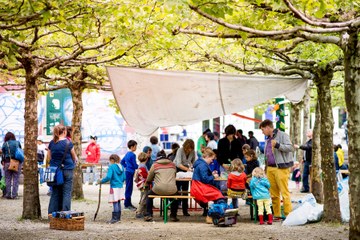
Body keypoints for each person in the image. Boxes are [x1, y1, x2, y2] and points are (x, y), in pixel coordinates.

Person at [259, 119, 294, 220]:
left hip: (281, 168)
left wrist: (278, 145)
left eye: (263, 130)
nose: (262, 132)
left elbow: (290, 148)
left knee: (284, 192)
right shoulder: (267, 139)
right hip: (270, 168)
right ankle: (277, 215)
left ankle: (288, 214)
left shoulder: (282, 135)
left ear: (268, 127)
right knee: (274, 194)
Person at [48, 124, 78, 214]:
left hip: (55, 171)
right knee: (66, 192)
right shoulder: (68, 143)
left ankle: (52, 213)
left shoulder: (52, 143)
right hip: (67, 170)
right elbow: (74, 157)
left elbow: (49, 156)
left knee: (55, 192)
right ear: (64, 132)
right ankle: (65, 213)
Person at [144, 150, 179, 222]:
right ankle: (173, 215)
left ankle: (149, 214)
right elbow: (174, 176)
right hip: (172, 189)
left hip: (158, 189)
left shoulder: (154, 165)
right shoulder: (172, 165)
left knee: (148, 196)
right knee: (176, 196)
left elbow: (149, 179)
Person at [190, 147, 225, 221]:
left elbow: (203, 177)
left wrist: (211, 174)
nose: (212, 161)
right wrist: (213, 176)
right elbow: (205, 179)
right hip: (200, 188)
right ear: (207, 157)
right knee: (218, 195)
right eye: (211, 159)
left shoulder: (200, 163)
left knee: (217, 195)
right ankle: (218, 214)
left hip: (197, 187)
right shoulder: (203, 165)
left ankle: (215, 215)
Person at [98, 154, 126, 224]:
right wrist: (120, 181)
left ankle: (115, 218)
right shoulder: (121, 167)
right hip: (120, 186)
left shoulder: (112, 167)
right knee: (118, 201)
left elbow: (108, 177)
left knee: (115, 202)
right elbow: (124, 178)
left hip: (114, 186)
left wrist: (101, 181)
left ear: (112, 160)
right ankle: (118, 217)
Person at [174, 139, 196, 216]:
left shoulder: (193, 152)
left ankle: (185, 210)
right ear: (186, 146)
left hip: (187, 171)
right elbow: (178, 164)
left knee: (185, 190)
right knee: (176, 190)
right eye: (188, 148)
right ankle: (174, 211)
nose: (190, 150)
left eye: (191, 148)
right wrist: (188, 169)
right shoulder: (180, 150)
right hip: (178, 170)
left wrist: (192, 168)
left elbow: (193, 162)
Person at [1, 132, 23, 199]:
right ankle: (14, 195)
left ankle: (8, 194)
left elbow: (3, 154)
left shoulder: (5, 144)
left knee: (8, 179)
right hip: (16, 163)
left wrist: (2, 161)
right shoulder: (17, 143)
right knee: (16, 179)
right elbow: (20, 151)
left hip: (7, 162)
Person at [120, 140, 138, 210]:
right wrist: (139, 166)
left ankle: (128, 203)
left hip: (127, 172)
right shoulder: (133, 155)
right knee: (129, 188)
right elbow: (134, 165)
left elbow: (122, 162)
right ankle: (127, 204)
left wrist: (126, 167)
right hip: (130, 172)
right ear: (132, 147)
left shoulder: (127, 154)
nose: (136, 148)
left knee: (128, 188)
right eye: (135, 146)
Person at [134, 152, 150, 219]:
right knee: (144, 198)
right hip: (144, 184)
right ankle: (139, 211)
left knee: (143, 197)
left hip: (141, 184)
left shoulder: (140, 165)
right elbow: (145, 175)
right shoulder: (143, 167)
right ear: (146, 159)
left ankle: (144, 211)